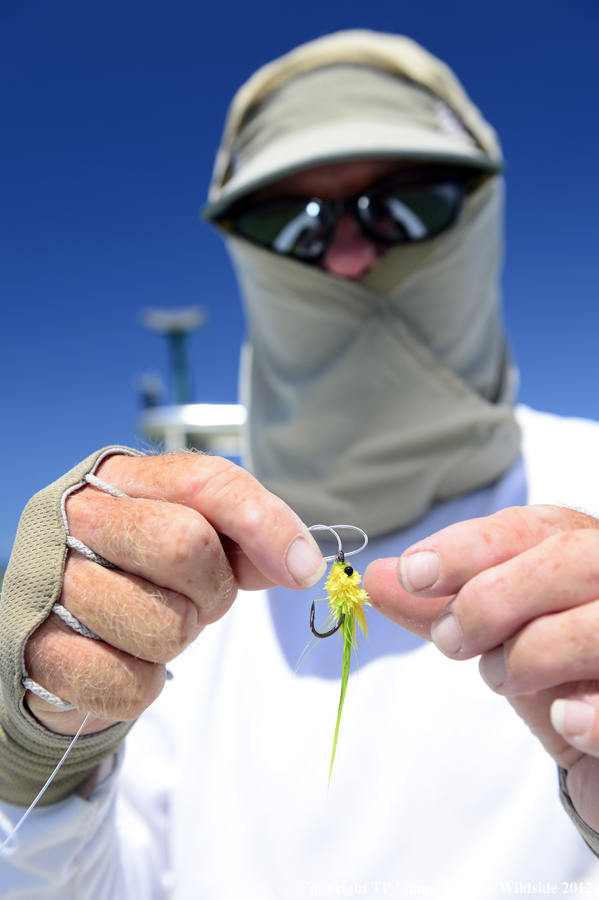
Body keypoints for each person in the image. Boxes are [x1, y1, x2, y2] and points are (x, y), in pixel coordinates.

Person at [3, 29, 599, 899]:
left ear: (479, 208)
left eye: (409, 204)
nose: (350, 256)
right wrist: (33, 757)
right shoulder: (161, 578)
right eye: (289, 223)